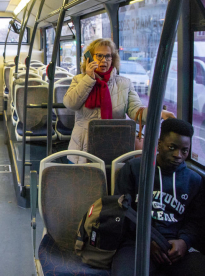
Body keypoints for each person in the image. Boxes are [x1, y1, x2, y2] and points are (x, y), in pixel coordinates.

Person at [112, 118, 205, 276]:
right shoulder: (134, 169)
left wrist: (184, 241)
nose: (178, 155)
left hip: (175, 247)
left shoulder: (194, 180)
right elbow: (121, 210)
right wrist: (146, 240)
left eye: (184, 150)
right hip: (136, 243)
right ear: (159, 143)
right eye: (172, 147)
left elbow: (195, 221)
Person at [63, 38, 175, 163]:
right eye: (99, 56)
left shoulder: (124, 83)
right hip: (83, 148)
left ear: (113, 59)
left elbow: (136, 110)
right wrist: (89, 78)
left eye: (108, 56)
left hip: (115, 144)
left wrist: (157, 113)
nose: (104, 60)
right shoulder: (79, 80)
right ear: (89, 58)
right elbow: (70, 103)